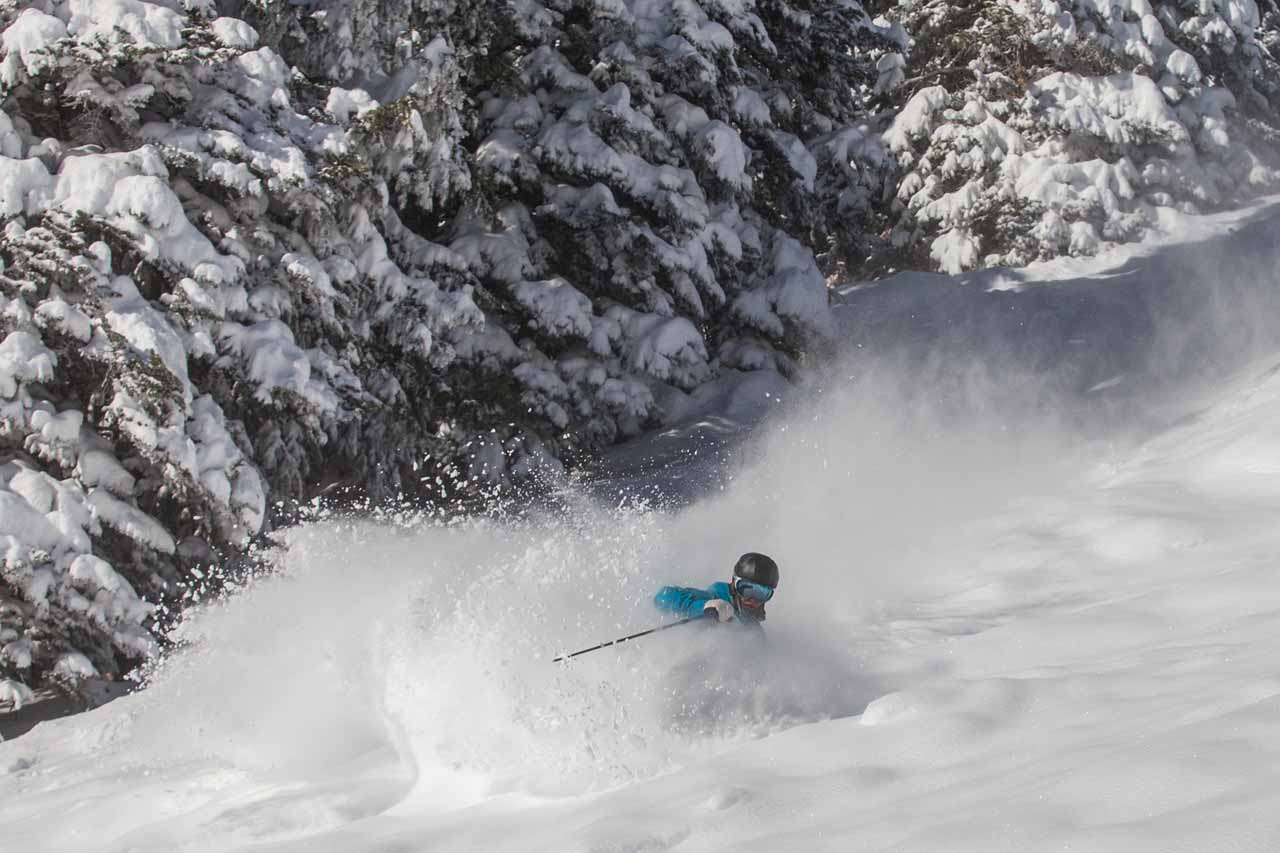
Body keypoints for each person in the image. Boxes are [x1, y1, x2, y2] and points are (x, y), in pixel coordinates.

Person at [654, 552, 779, 625]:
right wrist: (705, 606)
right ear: (734, 585)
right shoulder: (716, 597)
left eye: (762, 593)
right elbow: (663, 596)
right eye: (746, 589)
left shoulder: (753, 629)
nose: (753, 599)